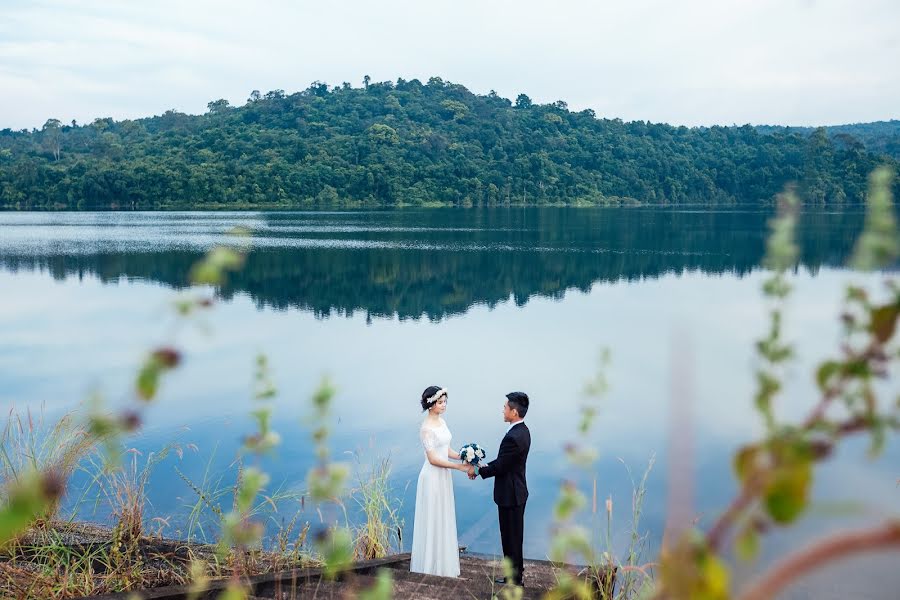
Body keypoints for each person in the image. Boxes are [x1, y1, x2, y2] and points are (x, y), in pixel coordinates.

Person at [468, 391, 531, 586]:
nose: (502, 410)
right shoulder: (523, 430)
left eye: (505, 407)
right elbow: (506, 462)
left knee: (510, 538)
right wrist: (484, 466)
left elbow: (502, 466)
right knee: (515, 537)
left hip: (510, 494)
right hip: (517, 490)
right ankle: (515, 575)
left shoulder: (513, 437)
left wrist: (478, 470)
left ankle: (514, 580)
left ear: (513, 412)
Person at [409, 386, 469, 577]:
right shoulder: (426, 429)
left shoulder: (442, 422)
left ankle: (443, 565)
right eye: (441, 402)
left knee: (444, 515)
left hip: (443, 475)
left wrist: (464, 456)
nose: (444, 406)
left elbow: (446, 450)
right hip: (432, 476)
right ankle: (429, 566)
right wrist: (458, 467)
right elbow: (434, 459)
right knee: (433, 517)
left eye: (445, 402)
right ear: (431, 404)